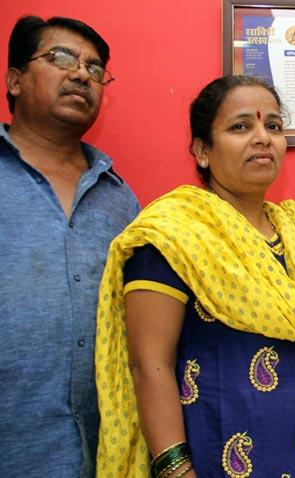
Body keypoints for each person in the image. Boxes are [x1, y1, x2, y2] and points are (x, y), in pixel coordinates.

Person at [95, 75, 295, 477]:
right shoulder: (173, 234)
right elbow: (149, 364)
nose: (262, 138)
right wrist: (175, 468)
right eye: (241, 126)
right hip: (224, 455)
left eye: (273, 126)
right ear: (203, 150)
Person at [0, 15, 139, 477]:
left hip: (105, 455)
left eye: (95, 68)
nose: (82, 74)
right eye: (61, 58)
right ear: (15, 79)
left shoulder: (121, 199)